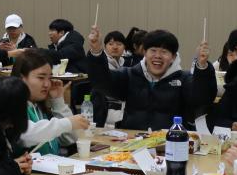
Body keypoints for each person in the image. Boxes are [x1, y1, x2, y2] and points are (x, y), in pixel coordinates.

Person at [86, 25, 216, 130]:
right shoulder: (130, 75)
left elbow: (202, 99)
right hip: (132, 143)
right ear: (144, 53)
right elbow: (102, 83)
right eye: (153, 50)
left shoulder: (183, 79)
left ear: (173, 57)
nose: (157, 56)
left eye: (164, 52)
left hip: (170, 143)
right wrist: (96, 52)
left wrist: (202, 67)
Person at [12, 49, 89, 155]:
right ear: (22, 78)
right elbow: (26, 135)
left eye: (49, 78)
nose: (47, 84)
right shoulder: (12, 105)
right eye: (41, 78)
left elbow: (70, 139)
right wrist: (68, 123)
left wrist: (58, 101)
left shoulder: (39, 106)